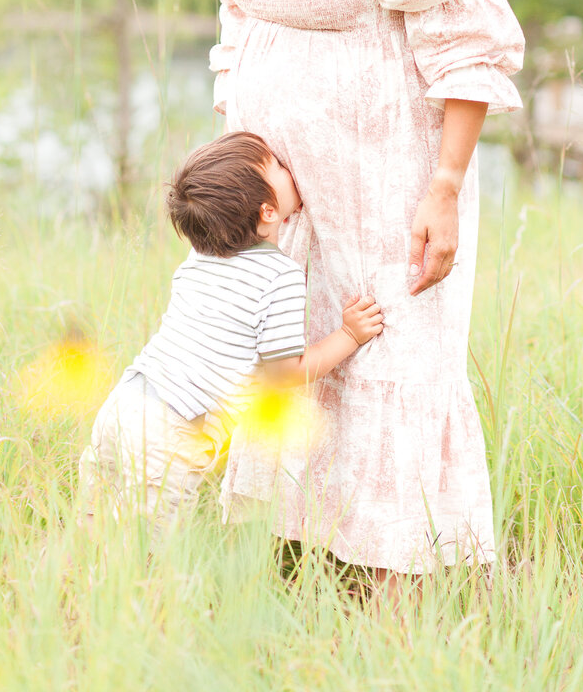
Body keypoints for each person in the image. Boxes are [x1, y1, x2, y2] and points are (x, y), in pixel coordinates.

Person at [193, 0, 525, 585]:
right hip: (275, 176)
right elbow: (237, 18)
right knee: (288, 341)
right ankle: (306, 546)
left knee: (388, 347)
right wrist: (238, 141)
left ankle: (403, 569)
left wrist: (445, 185)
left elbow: (469, 44)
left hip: (386, 172)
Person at [78, 131, 383, 545]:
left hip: (124, 404)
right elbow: (282, 375)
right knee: (148, 555)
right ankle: (146, 607)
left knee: (93, 532)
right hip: (171, 431)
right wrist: (348, 334)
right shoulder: (280, 277)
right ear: (268, 212)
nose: (289, 166)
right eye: (278, 165)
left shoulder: (198, 256)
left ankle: (74, 598)